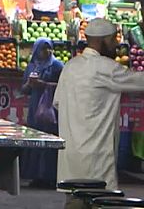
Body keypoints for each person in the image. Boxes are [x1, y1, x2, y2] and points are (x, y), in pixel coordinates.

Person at [54, 19, 144, 190]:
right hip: (96, 156)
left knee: (74, 200)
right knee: (99, 199)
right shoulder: (106, 68)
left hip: (70, 156)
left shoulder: (70, 67)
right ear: (103, 40)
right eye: (113, 40)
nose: (117, 44)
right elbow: (140, 81)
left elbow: (57, 102)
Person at [20, 37, 63, 187]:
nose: (47, 51)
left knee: (50, 142)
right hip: (35, 108)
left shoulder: (57, 66)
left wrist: (44, 85)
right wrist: (30, 84)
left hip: (51, 110)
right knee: (35, 141)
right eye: (43, 48)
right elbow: (24, 90)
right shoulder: (32, 66)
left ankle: (50, 177)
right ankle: (36, 176)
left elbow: (64, 86)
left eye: (49, 48)